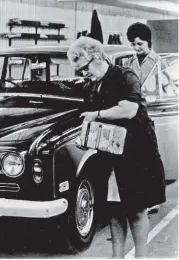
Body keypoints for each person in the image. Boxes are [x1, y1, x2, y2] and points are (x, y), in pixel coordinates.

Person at [67, 37, 166, 258]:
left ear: (96, 57)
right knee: (114, 210)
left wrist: (98, 115)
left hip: (136, 155)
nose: (84, 75)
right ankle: (117, 256)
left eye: (84, 69)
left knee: (136, 209)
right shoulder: (93, 85)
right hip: (110, 156)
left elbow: (129, 110)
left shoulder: (125, 76)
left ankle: (141, 255)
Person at [125, 22, 170, 213]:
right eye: (133, 44)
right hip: (136, 115)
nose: (136, 48)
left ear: (148, 43)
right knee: (139, 158)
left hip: (153, 113)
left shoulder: (160, 62)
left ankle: (155, 198)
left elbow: (168, 87)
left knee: (152, 158)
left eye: (140, 44)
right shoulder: (129, 62)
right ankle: (142, 197)